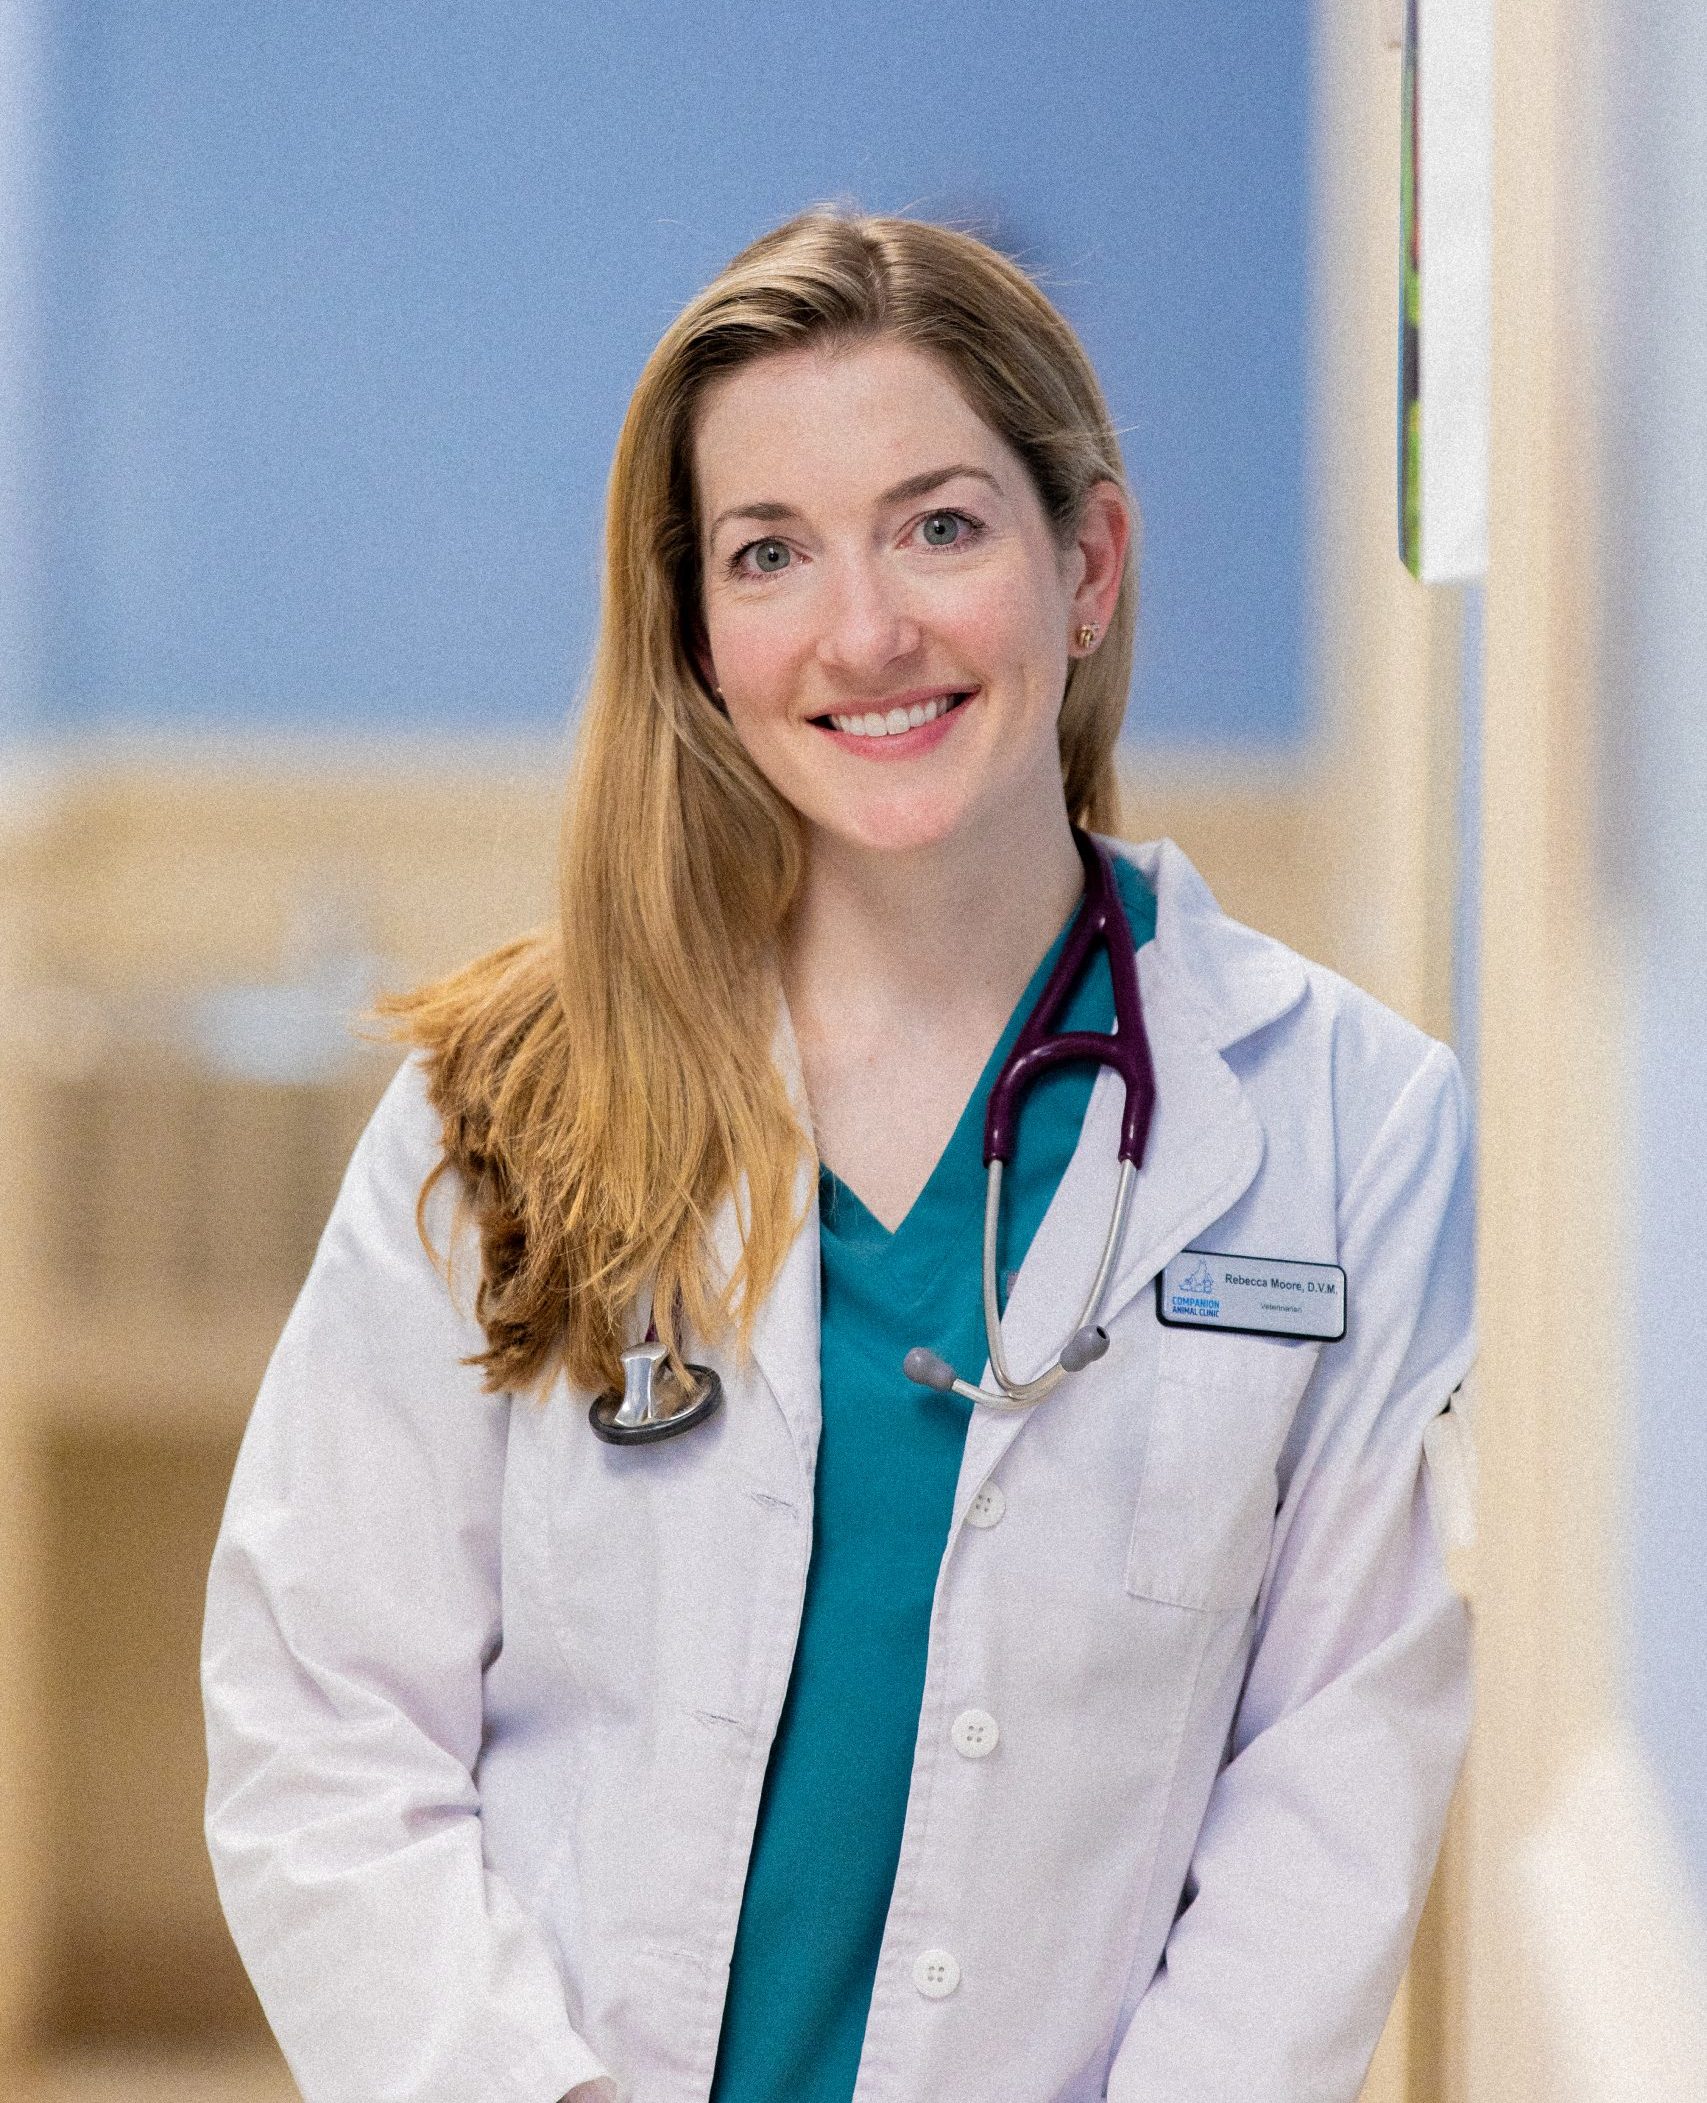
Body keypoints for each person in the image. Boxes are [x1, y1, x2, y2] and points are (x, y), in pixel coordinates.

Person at [201, 206, 1475, 2103]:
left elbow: (1332, 1787)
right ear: (701, 635)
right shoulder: (506, 1105)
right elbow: (323, 1726)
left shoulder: (1349, 1127)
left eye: (942, 525)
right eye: (770, 554)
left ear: (1091, 560)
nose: (866, 631)